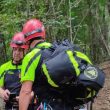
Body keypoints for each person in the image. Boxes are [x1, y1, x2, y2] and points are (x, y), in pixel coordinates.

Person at [19, 19, 105, 110]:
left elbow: (26, 92)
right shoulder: (59, 50)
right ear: (43, 34)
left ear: (27, 40)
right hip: (73, 105)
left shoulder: (30, 57)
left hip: (50, 105)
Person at [0, 32, 29, 110]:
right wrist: (2, 93)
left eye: (20, 50)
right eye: (15, 49)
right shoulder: (4, 67)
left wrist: (25, 97)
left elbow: (35, 89)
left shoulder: (29, 66)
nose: (16, 53)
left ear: (24, 51)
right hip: (9, 107)